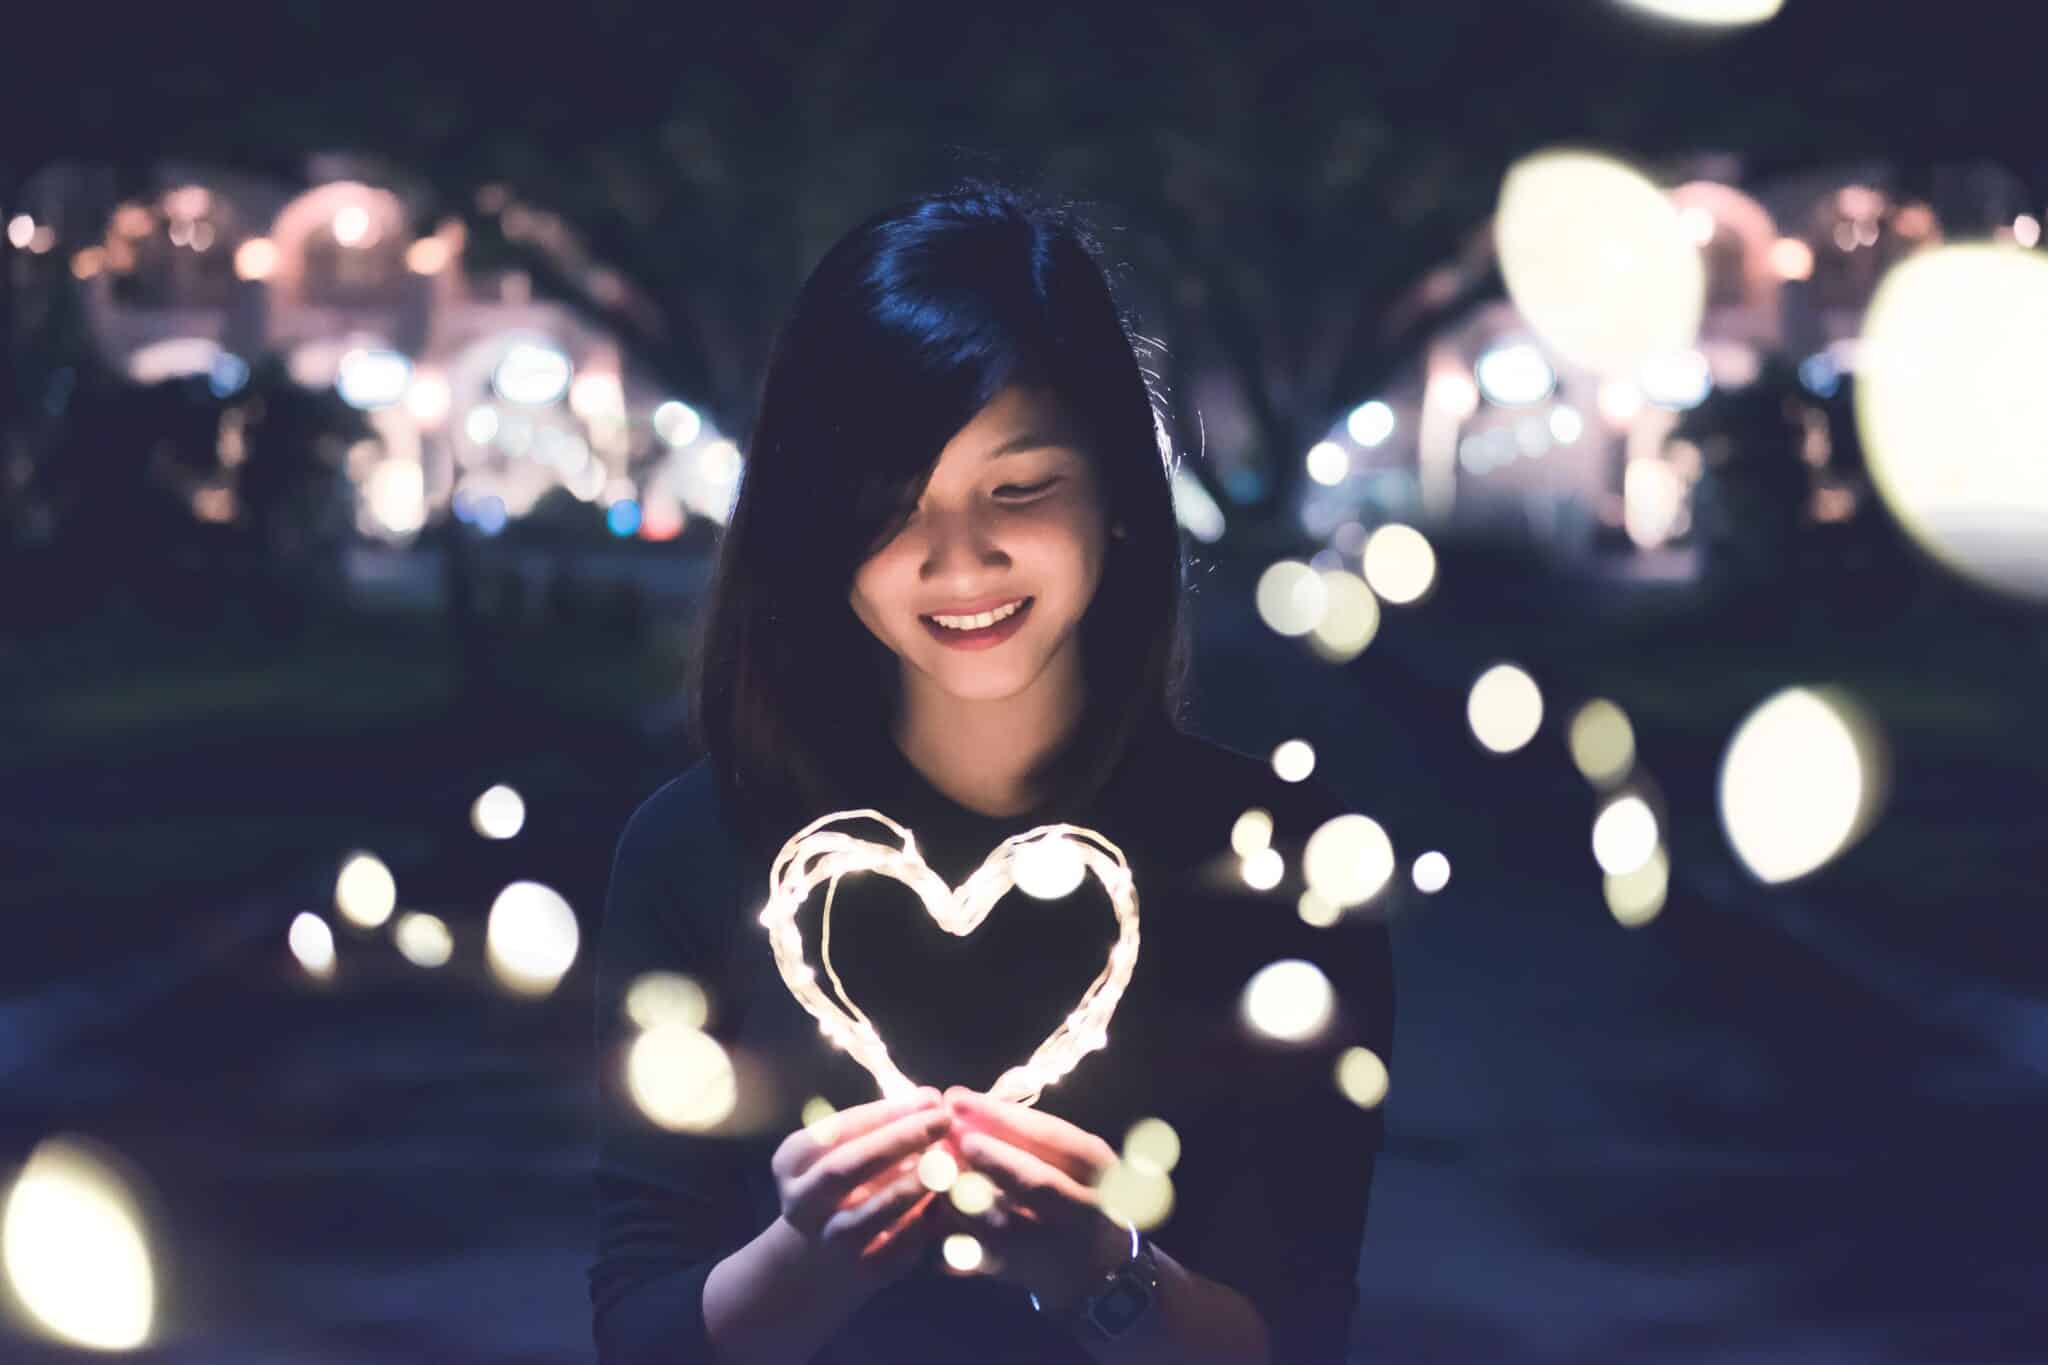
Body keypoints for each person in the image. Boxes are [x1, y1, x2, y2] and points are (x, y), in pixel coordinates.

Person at [588, 182, 1395, 1365]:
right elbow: (638, 1334)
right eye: (888, 506)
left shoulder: (1277, 864)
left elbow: (1298, 1334)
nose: (957, 561)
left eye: (1018, 490)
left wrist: (1102, 1272)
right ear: (814, 526)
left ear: (1118, 492)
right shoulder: (694, 851)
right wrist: (809, 1258)